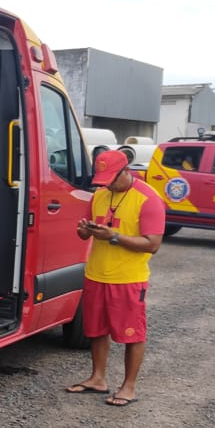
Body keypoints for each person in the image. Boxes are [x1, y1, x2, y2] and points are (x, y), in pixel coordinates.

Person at [65, 149, 165, 407]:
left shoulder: (148, 199)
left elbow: (152, 244)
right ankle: (98, 378)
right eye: (104, 179)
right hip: (96, 274)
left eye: (112, 178)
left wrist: (114, 237)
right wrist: (84, 232)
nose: (107, 184)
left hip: (128, 278)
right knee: (96, 330)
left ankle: (128, 387)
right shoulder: (99, 195)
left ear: (126, 171)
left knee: (133, 334)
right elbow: (84, 234)